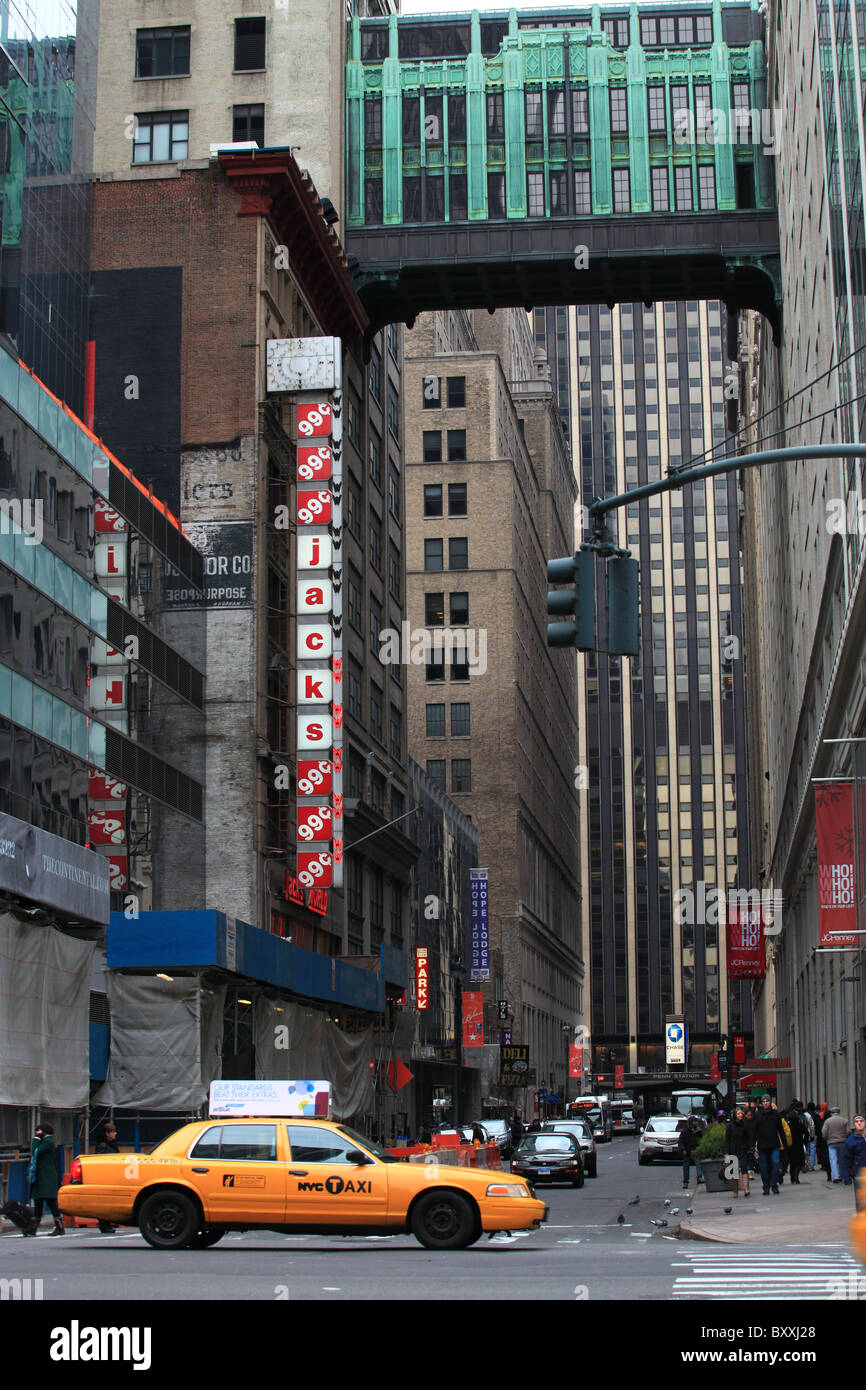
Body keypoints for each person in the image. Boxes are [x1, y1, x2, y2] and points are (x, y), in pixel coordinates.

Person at [24, 1122, 63, 1237]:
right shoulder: (46, 1141)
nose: (36, 1133)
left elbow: (35, 1151)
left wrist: (35, 1139)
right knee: (39, 1201)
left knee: (50, 1202)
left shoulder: (48, 1141)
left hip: (46, 1178)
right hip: (41, 1177)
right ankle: (33, 1228)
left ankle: (59, 1226)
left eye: (38, 1131)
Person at [755, 1093, 786, 1195]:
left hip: (774, 1144)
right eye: (763, 1101)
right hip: (762, 1145)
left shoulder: (776, 1115)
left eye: (767, 1101)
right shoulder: (758, 1115)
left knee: (775, 1164)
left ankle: (773, 1184)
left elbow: (780, 1130)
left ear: (770, 1102)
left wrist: (784, 1144)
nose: (765, 1103)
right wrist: (753, 1145)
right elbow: (754, 1131)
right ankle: (766, 1186)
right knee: (763, 1167)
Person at [94, 1123, 119, 1232]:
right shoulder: (103, 1145)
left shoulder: (111, 1143)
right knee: (105, 1201)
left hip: (111, 1175)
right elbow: (100, 1160)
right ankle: (104, 1224)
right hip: (105, 1176)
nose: (115, 1134)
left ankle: (106, 1223)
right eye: (112, 1132)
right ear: (107, 1134)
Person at [725, 1106, 751, 1197]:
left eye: (741, 1113)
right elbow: (727, 1140)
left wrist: (749, 1148)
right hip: (733, 1150)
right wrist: (727, 1153)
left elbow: (748, 1137)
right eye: (738, 1113)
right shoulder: (730, 1126)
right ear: (735, 1115)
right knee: (734, 1172)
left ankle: (746, 1189)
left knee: (744, 1168)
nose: (740, 1115)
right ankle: (735, 1191)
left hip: (743, 1149)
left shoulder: (745, 1125)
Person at [841, 1115, 866, 1209]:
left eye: (861, 1121)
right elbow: (846, 1160)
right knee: (861, 1200)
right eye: (857, 1121)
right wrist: (846, 1177)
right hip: (859, 1174)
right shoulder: (850, 1141)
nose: (859, 1123)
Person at [824, 1106, 850, 1182]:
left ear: (831, 1113)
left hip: (831, 1143)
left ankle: (836, 1176)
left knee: (833, 1160)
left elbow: (824, 1133)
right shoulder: (844, 1120)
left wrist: (827, 1138)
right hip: (842, 1142)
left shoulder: (828, 1121)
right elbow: (848, 1131)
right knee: (842, 1160)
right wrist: (844, 1136)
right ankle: (842, 1175)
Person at [679, 1116, 704, 1190]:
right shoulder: (685, 1131)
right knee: (686, 1167)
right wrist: (683, 1149)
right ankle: (685, 1182)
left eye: (696, 1121)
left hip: (695, 1151)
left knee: (698, 1164)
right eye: (694, 1121)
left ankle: (699, 1177)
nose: (696, 1123)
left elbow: (701, 1140)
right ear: (690, 1123)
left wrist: (700, 1148)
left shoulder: (698, 1131)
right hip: (687, 1151)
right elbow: (681, 1141)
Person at [785, 1105, 807, 1184]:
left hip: (790, 1145)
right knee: (798, 1161)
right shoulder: (800, 1125)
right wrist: (804, 1140)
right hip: (799, 1144)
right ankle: (796, 1176)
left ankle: (792, 1177)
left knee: (792, 1162)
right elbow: (806, 1133)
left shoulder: (788, 1126)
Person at [802, 1102, 817, 1171]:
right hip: (811, 1134)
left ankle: (806, 1164)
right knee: (812, 1149)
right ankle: (811, 1165)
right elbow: (812, 1125)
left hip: (804, 1135)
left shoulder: (805, 1115)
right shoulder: (815, 1115)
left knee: (806, 1149)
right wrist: (812, 1135)